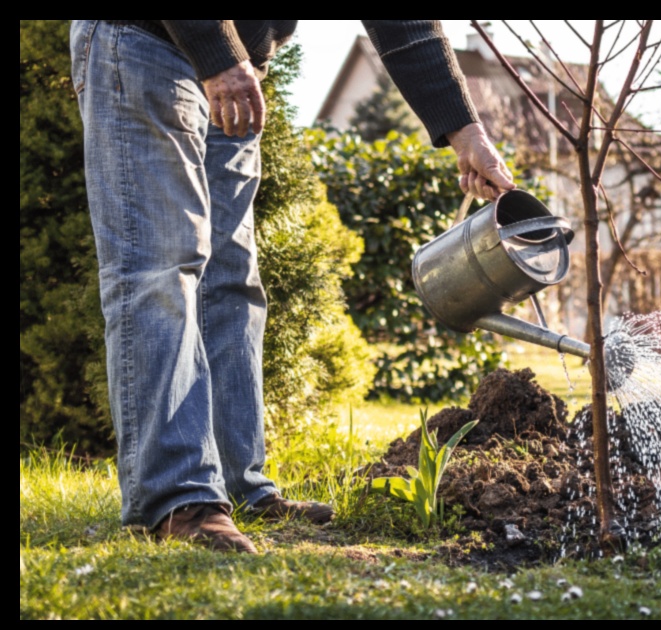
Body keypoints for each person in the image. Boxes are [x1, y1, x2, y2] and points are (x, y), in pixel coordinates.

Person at [70, 20, 516, 554]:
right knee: (162, 270)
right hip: (148, 41)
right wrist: (218, 56)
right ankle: (178, 497)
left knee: (230, 282)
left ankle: (240, 485)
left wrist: (465, 131)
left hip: (236, 66)